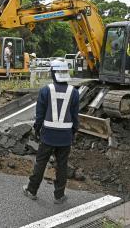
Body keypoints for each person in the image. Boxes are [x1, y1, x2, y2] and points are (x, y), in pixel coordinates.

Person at [23, 60, 80, 204]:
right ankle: (59, 196)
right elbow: (75, 116)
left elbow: (40, 114)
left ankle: (31, 190)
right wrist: (74, 132)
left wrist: (36, 128)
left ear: (53, 73)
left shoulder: (45, 90)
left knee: (41, 163)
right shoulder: (74, 92)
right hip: (65, 136)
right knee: (62, 165)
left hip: (48, 135)